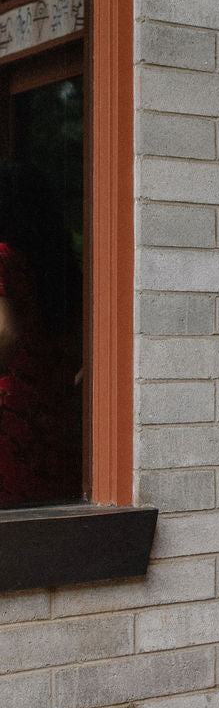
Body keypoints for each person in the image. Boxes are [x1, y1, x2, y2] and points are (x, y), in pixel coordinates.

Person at [0, 160, 81, 506]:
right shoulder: (61, 265)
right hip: (54, 421)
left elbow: (5, 331)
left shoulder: (2, 257)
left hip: (10, 418)